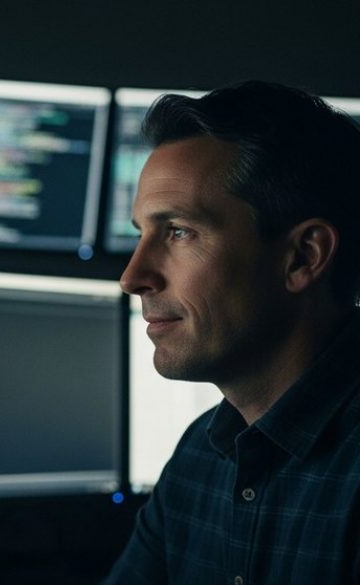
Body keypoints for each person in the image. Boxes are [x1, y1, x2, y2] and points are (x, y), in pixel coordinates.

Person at [105, 81, 360, 584]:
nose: (133, 277)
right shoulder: (201, 452)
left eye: (178, 231)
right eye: (142, 235)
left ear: (303, 257)